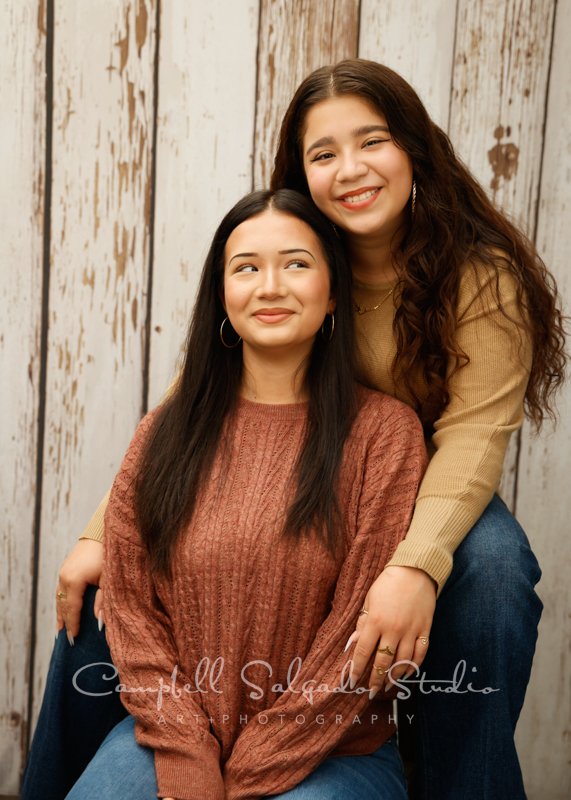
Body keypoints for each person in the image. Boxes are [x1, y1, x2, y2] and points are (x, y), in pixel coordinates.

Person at [23, 59, 566, 799]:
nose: (350, 170)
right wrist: (98, 532)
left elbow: (474, 436)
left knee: (492, 575)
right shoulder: (305, 245)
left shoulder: (476, 273)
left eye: (371, 141)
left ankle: (458, 781)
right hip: (304, 458)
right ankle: (70, 777)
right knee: (98, 588)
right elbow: (199, 392)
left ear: (414, 148)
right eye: (323, 153)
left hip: (429, 474)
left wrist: (415, 563)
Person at [52, 188, 427, 799]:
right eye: (246, 267)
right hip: (174, 739)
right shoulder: (167, 431)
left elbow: (355, 642)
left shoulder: (383, 435)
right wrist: (190, 761)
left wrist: (246, 777)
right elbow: (130, 610)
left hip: (331, 751)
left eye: (297, 264)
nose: (270, 286)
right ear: (223, 298)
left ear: (334, 292)